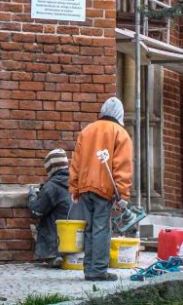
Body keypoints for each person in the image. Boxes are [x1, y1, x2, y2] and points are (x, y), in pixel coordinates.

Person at [69, 97, 133, 282]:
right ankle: (97, 270)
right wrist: (122, 193)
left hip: (85, 187)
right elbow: (122, 166)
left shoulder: (87, 130)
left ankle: (89, 268)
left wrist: (74, 187)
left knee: (89, 229)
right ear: (119, 115)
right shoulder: (120, 133)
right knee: (101, 229)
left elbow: (76, 161)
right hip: (104, 189)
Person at [27, 148, 73, 267]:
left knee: (44, 222)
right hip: (76, 236)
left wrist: (32, 195)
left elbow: (36, 211)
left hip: (57, 237)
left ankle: (54, 255)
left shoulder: (51, 187)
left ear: (51, 168)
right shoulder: (77, 182)